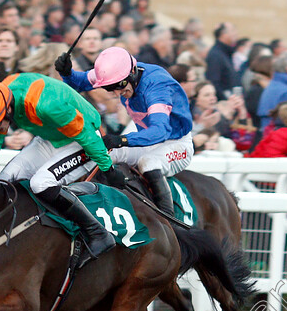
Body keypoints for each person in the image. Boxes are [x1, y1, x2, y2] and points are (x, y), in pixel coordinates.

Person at [0, 74, 126, 258]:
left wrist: (108, 168)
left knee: (41, 183)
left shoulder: (46, 104)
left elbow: (86, 135)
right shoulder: (0, 95)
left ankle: (98, 233)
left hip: (84, 139)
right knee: (2, 183)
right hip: (50, 138)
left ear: (8, 109)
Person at [55, 46, 195, 216]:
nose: (116, 92)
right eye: (109, 88)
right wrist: (67, 72)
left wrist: (121, 140)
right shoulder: (117, 72)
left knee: (148, 163)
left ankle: (168, 220)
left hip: (176, 143)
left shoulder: (157, 86)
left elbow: (160, 131)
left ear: (133, 72)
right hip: (144, 139)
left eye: (120, 85)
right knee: (99, 154)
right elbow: (81, 82)